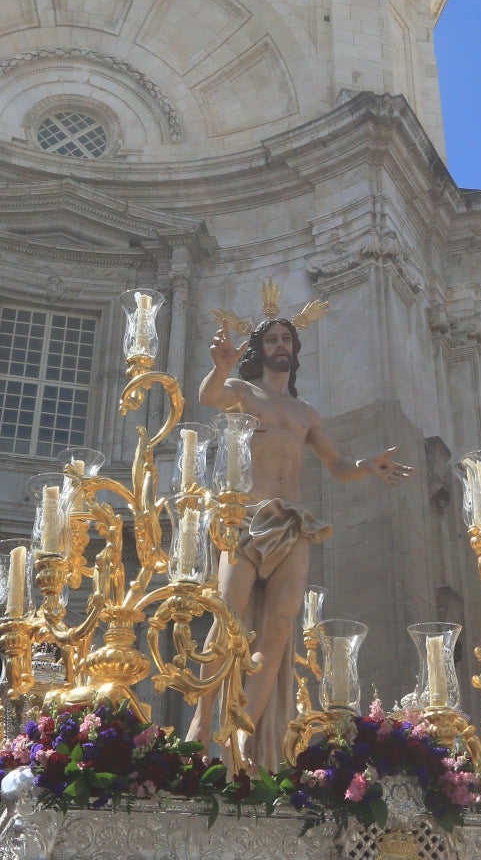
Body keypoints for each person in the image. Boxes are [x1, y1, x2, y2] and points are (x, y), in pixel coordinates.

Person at [184, 316, 409, 767]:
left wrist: (368, 465)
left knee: (282, 626)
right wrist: (219, 367)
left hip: (293, 521)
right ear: (259, 349)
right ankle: (201, 720)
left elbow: (337, 464)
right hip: (247, 515)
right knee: (228, 619)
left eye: (286, 339)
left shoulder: (306, 413)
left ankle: (242, 729)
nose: (280, 345)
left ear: (295, 348)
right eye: (271, 339)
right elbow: (210, 397)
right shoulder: (246, 394)